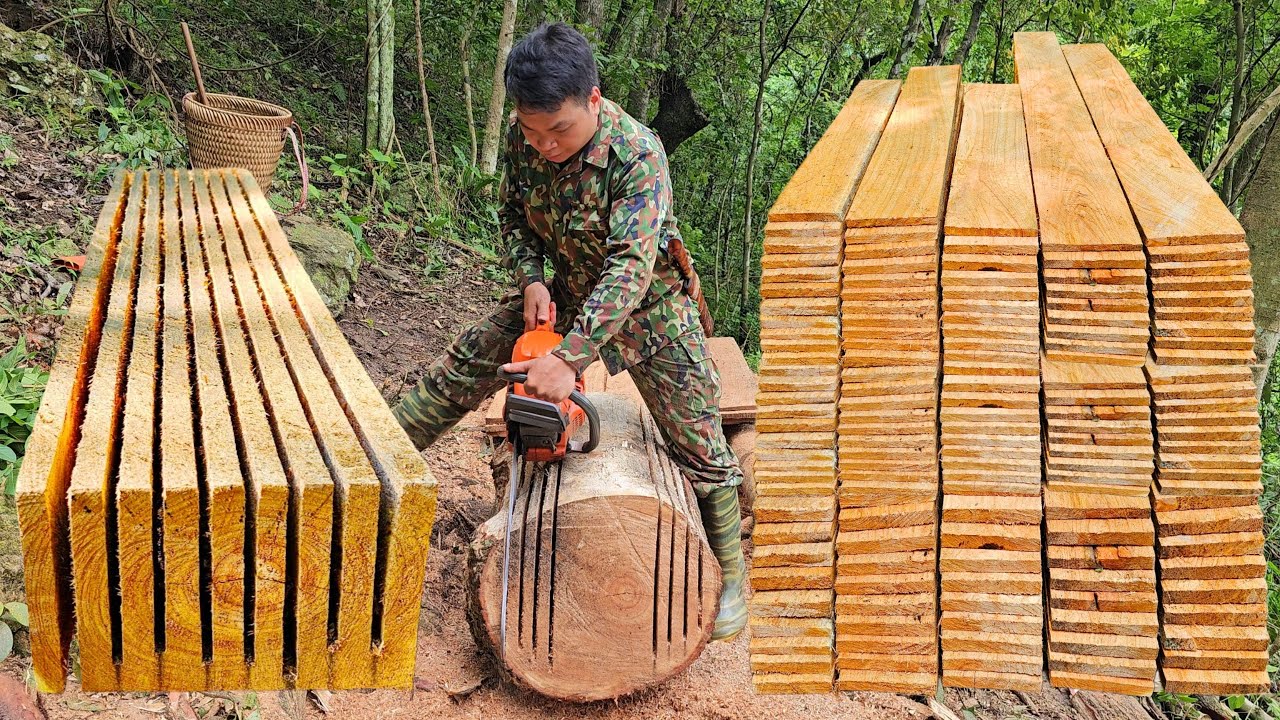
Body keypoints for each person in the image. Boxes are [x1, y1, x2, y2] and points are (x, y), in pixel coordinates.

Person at [392, 21, 747, 641]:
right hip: (567, 290)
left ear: (593, 99)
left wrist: (571, 356)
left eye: (559, 130)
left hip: (650, 309)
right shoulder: (524, 138)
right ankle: (375, 458)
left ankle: (729, 576)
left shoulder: (638, 156)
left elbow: (631, 269)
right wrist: (532, 278)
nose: (546, 145)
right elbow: (511, 215)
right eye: (533, 132)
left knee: (700, 443)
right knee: (468, 360)